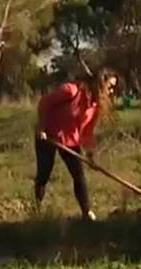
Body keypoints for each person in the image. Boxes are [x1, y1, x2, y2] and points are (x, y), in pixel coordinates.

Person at [34, 68, 118, 221]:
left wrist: (91, 155)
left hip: (70, 141)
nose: (111, 91)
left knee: (79, 175)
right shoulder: (71, 91)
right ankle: (36, 207)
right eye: (110, 86)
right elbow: (44, 103)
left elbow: (87, 133)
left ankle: (87, 213)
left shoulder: (95, 106)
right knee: (44, 174)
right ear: (101, 83)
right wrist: (40, 127)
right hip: (48, 136)